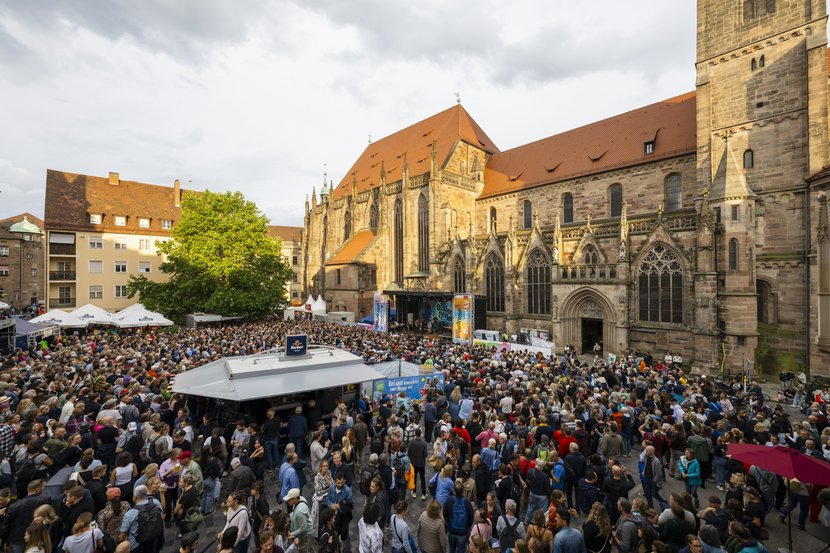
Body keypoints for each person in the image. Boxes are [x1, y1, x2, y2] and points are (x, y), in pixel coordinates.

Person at [0, 478, 48, 553]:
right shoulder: (45, 500)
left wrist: (3, 542)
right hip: (37, 537)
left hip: (17, 539)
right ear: (38, 490)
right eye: (45, 487)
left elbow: (5, 526)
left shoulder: (14, 506)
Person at [118, 484, 164, 553]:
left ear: (135, 496)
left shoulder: (130, 513)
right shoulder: (155, 502)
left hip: (137, 545)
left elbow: (122, 535)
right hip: (153, 538)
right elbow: (162, 517)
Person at [443, 481, 474, 553]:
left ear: (454, 490)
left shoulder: (449, 500)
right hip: (463, 532)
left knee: (452, 549)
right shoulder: (467, 501)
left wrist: (448, 522)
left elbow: (444, 513)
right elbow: (471, 517)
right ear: (463, 490)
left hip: (452, 530)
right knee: (461, 550)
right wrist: (467, 527)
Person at [284, 488, 312, 553]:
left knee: (301, 549)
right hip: (297, 526)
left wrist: (291, 534)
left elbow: (303, 529)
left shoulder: (299, 512)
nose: (288, 502)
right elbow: (294, 512)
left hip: (301, 536)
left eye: (289, 500)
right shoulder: (301, 498)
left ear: (295, 498)